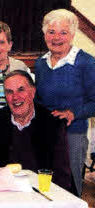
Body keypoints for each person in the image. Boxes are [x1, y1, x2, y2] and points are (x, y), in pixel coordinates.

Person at [0, 70, 71, 191]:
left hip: (40, 194)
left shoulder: (52, 124)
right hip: (1, 193)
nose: (15, 97)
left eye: (21, 90)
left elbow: (62, 174)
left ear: (33, 92)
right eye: (9, 92)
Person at [34, 9, 95, 196]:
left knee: (69, 188)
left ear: (73, 35)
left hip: (73, 135)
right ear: (44, 34)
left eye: (63, 32)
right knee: (43, 186)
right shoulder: (40, 63)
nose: (57, 37)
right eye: (51, 32)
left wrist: (73, 113)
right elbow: (39, 100)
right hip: (45, 133)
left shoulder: (86, 62)